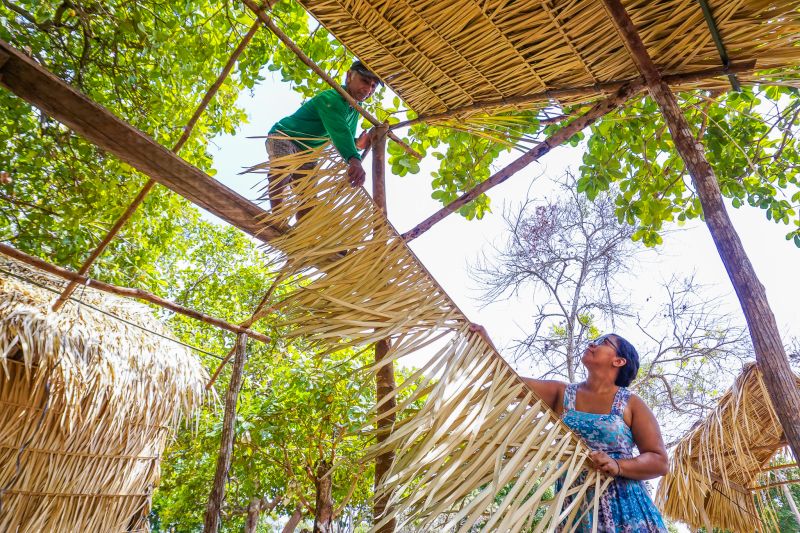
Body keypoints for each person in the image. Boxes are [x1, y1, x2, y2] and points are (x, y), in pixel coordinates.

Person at [471, 326, 669, 532]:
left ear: (619, 361)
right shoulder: (562, 394)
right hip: (575, 509)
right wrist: (486, 343)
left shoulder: (631, 403)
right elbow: (506, 381)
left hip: (626, 508)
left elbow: (659, 461)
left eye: (603, 342)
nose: (593, 344)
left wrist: (618, 465)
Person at [266, 60, 381, 222]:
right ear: (349, 76)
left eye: (373, 86)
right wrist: (355, 160)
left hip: (309, 152)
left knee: (308, 198)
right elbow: (340, 130)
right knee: (283, 169)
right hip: (286, 137)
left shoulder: (354, 109)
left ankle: (303, 234)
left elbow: (343, 135)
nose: (368, 89)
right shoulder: (331, 98)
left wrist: (356, 144)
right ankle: (278, 219)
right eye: (364, 81)